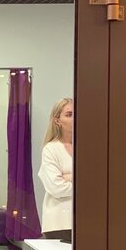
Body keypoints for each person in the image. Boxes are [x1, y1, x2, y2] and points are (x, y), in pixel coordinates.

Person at [38, 98, 73, 241]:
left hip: (86, 220)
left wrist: (69, 177)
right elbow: (57, 188)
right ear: (57, 121)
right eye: (69, 114)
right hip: (59, 223)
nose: (75, 118)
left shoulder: (88, 147)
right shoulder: (51, 149)